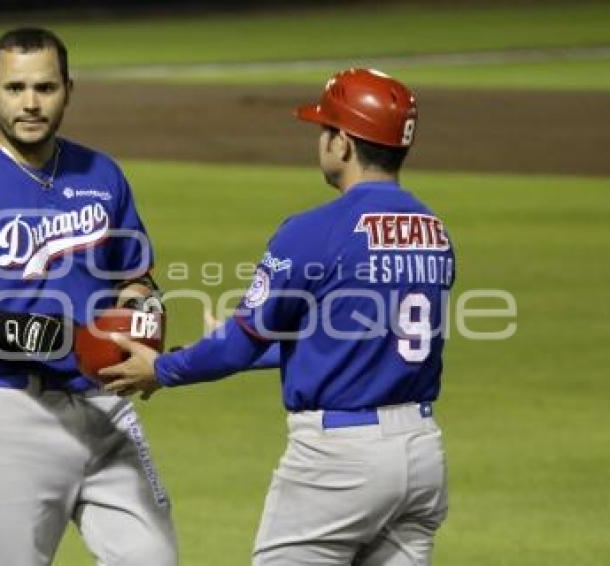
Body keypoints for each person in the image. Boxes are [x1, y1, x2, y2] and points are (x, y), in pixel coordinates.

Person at [102, 68, 454, 565]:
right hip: (421, 455)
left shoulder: (312, 231)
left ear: (345, 143)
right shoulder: (433, 231)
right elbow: (355, 341)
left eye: (324, 129)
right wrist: (246, 352)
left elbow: (238, 343)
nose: (321, 140)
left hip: (339, 463)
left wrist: (162, 369)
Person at [0, 27, 177, 566]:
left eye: (45, 88)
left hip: (104, 407)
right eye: (15, 88)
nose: (30, 103)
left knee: (152, 558)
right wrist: (43, 334)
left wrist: (139, 313)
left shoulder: (102, 174)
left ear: (68, 90)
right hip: (12, 414)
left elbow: (136, 277)